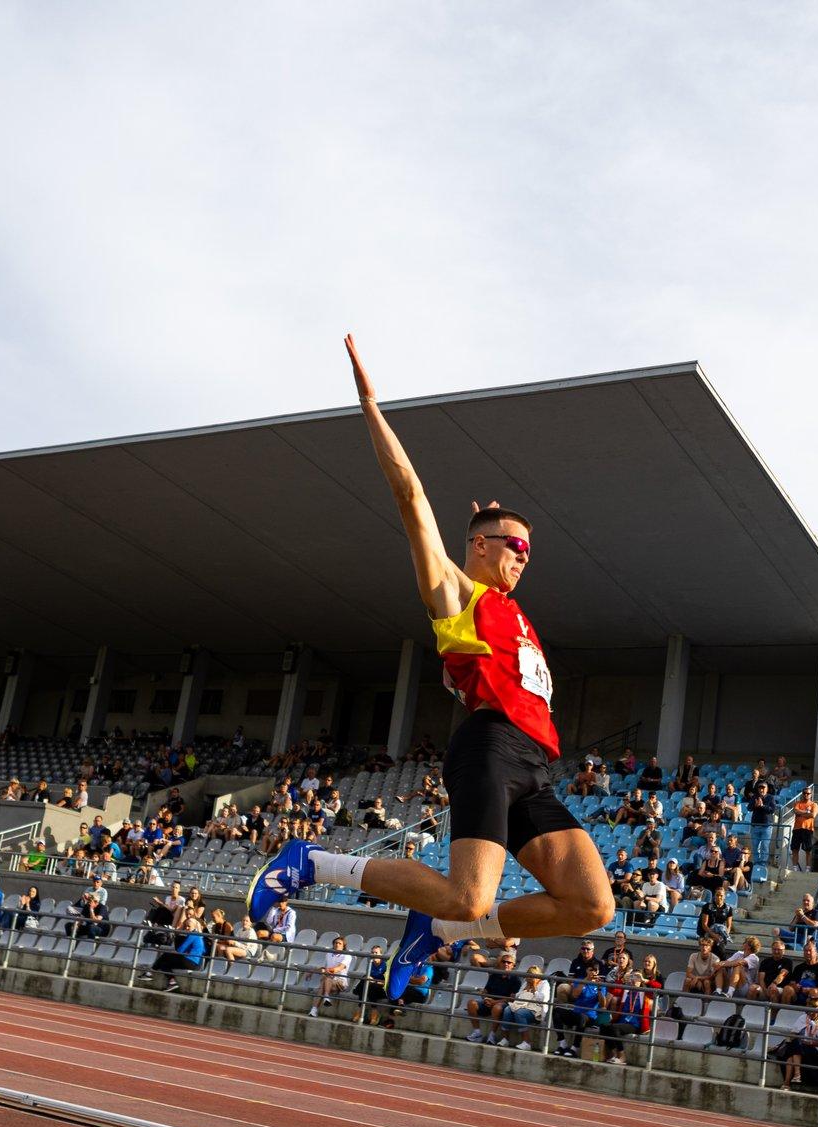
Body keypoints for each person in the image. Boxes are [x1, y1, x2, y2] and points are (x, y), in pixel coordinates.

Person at [247, 338, 613, 999]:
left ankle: (442, 935)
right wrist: (371, 406)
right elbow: (410, 495)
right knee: (469, 893)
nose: (524, 557)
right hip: (492, 749)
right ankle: (312, 862)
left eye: (530, 549)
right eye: (515, 545)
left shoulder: (515, 612)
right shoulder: (457, 595)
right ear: (478, 544)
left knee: (593, 905)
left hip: (535, 763)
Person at [307, 935, 354, 1017]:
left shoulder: (347, 956)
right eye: (335, 943)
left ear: (343, 946)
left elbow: (338, 969)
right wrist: (312, 972)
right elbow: (324, 967)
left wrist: (325, 971)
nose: (337, 945)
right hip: (328, 982)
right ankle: (324, 999)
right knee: (325, 981)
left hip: (340, 982)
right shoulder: (329, 954)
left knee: (326, 979)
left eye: (339, 943)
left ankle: (315, 1009)